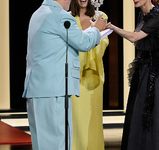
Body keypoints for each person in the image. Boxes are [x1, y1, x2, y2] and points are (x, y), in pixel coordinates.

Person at [22, 0, 108, 149]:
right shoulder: (61, 17)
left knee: (42, 144)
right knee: (57, 144)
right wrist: (96, 30)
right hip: (54, 91)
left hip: (35, 90)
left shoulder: (37, 14)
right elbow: (84, 43)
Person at [107, 0, 159, 149]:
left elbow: (134, 37)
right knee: (141, 112)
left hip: (158, 73)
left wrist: (112, 27)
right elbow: (141, 41)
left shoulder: (156, 16)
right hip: (144, 69)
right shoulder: (142, 15)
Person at [70, 0, 109, 150]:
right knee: (75, 121)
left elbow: (104, 44)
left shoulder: (100, 16)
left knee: (92, 122)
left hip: (94, 77)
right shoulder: (68, 18)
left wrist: (92, 39)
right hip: (74, 76)